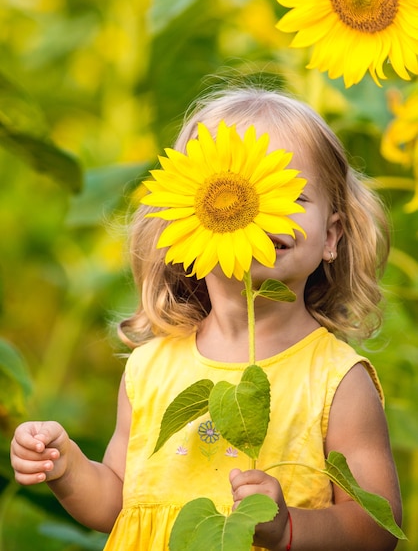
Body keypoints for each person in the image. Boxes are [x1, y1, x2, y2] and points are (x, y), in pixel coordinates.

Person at [10, 86, 402, 551]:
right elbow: (117, 501)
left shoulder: (337, 381)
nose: (262, 213)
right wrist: (66, 466)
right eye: (233, 191)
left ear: (331, 236)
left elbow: (376, 527)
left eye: (290, 194)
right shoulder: (150, 368)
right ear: (182, 226)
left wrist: (288, 527)